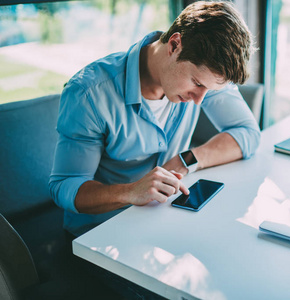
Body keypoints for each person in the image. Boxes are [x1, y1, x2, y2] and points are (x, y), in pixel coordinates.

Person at [49, 1, 260, 238]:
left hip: (164, 220)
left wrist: (185, 160)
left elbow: (248, 133)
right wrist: (130, 192)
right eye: (197, 84)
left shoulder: (206, 76)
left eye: (208, 90)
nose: (199, 100)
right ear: (174, 45)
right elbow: (65, 187)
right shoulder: (89, 93)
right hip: (101, 235)